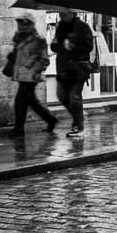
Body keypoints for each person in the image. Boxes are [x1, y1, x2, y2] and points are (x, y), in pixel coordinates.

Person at [7, 15, 58, 137]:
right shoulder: (19, 38)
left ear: (31, 25)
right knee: (32, 102)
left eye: (24, 24)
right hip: (21, 75)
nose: (21, 26)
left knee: (20, 101)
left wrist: (33, 69)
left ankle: (19, 129)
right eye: (20, 24)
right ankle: (51, 120)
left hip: (30, 77)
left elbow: (44, 60)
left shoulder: (38, 40)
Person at [50, 9, 94, 137]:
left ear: (72, 13)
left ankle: (79, 127)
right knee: (62, 96)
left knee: (74, 97)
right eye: (60, 12)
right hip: (63, 67)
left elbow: (89, 46)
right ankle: (78, 116)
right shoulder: (60, 27)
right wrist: (62, 46)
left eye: (64, 12)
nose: (60, 14)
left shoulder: (83, 27)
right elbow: (53, 46)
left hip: (78, 68)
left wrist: (73, 46)